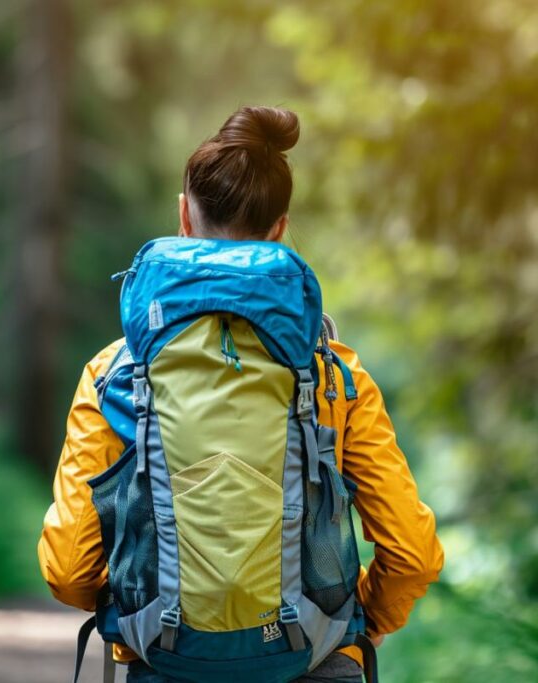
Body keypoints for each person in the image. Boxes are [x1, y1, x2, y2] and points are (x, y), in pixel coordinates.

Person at [38, 106, 444, 682]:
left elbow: (67, 570)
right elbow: (412, 553)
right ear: (280, 228)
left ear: (184, 215)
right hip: (314, 661)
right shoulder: (336, 377)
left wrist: (139, 610)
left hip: (167, 662)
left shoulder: (115, 374)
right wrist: (355, 623)